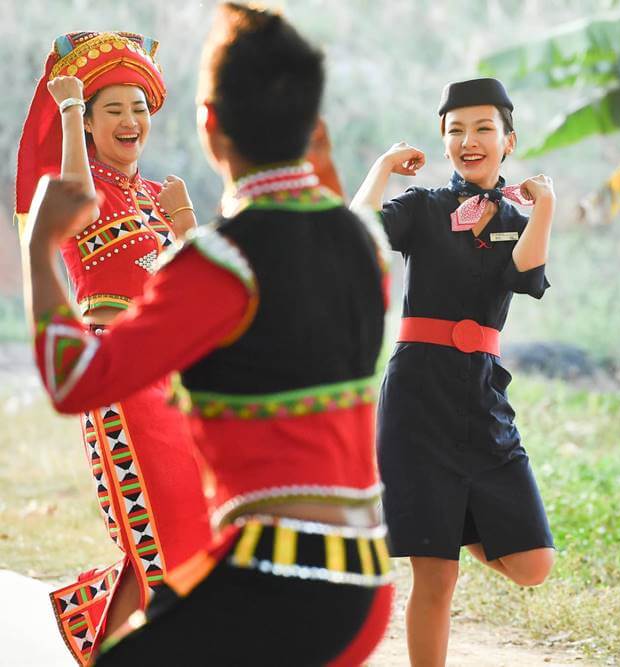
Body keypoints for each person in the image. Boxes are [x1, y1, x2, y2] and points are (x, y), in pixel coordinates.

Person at [20, 4, 391, 664]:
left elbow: (74, 379)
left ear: (209, 125)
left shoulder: (220, 261)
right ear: (316, 126)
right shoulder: (362, 242)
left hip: (281, 578)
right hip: (367, 576)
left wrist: (40, 247)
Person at [14, 31, 209, 664]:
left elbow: (201, 287)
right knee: (156, 531)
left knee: (184, 536)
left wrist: (185, 226)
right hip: (118, 371)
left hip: (176, 374)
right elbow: (72, 193)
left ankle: (97, 642)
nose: (131, 120)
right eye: (113, 109)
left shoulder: (158, 197)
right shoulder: (78, 186)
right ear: (92, 124)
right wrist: (68, 108)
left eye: (139, 109)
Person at [351, 77, 555, 665]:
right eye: (456, 129)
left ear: (508, 141)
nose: (470, 139)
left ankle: (454, 524)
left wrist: (547, 207)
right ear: (444, 142)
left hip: (483, 398)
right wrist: (385, 167)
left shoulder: (518, 219)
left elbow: (525, 273)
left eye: (483, 128)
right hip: (417, 398)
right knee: (436, 580)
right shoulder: (422, 209)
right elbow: (352, 233)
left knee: (533, 565)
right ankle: (439, 533)